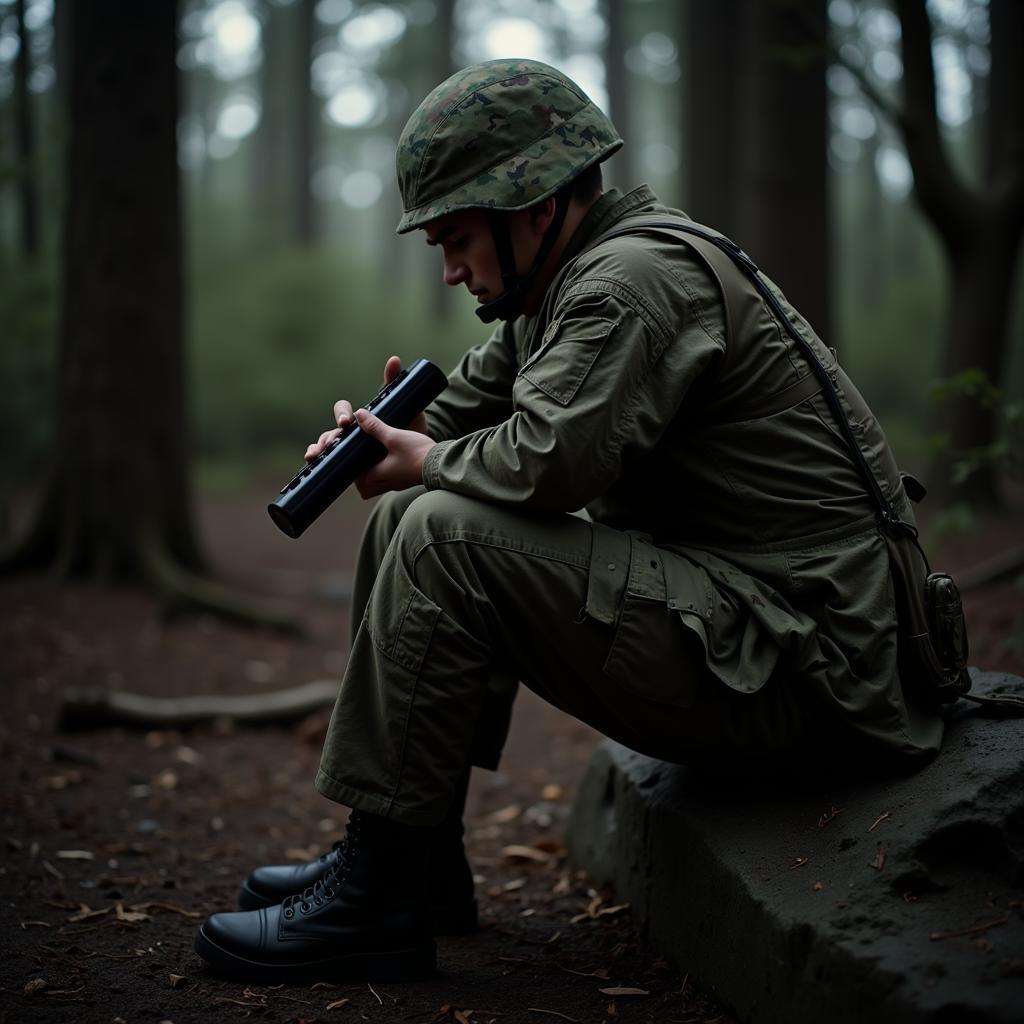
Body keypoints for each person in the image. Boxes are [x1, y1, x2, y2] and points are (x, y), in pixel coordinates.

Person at [194, 58, 943, 984]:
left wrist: (426, 460)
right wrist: (393, 435)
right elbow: (466, 418)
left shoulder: (626, 284)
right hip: (767, 632)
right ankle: (412, 862)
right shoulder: (562, 284)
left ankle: (377, 897)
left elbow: (546, 462)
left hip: (815, 668)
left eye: (459, 237)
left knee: (439, 534)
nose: (451, 268)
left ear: (536, 207)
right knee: (406, 522)